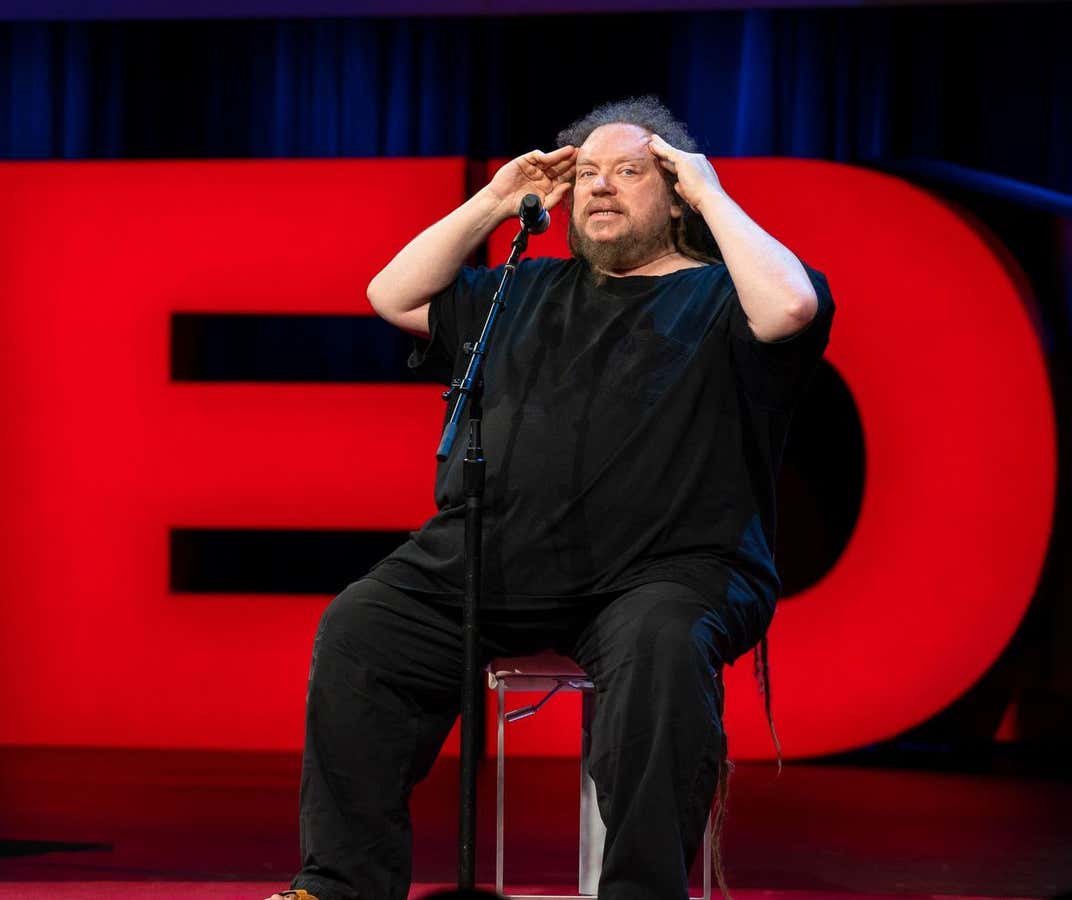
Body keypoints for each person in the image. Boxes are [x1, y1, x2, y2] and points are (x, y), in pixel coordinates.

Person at [266, 96, 834, 900]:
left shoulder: (722, 295)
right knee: (363, 626)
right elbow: (391, 295)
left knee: (661, 652)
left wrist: (711, 193)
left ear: (672, 192)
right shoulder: (522, 291)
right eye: (588, 173)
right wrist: (497, 200)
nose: (602, 187)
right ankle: (341, 885)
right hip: (505, 556)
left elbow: (792, 309)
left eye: (631, 172)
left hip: (668, 570)